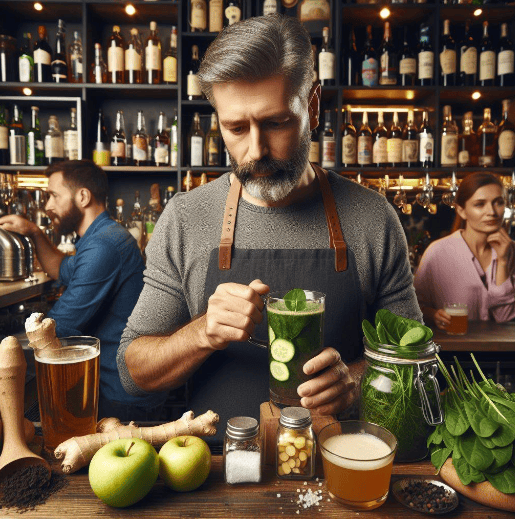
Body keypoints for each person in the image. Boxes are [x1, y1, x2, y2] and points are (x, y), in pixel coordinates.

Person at [117, 14, 422, 443]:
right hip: (217, 480)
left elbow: (416, 361)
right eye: (235, 128)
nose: (255, 150)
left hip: (341, 472)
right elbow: (133, 372)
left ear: (312, 104)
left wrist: (354, 382)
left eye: (276, 122)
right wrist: (201, 332)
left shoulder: (373, 218)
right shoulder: (186, 219)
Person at [0, 159, 154, 421]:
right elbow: (61, 268)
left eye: (54, 196)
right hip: (116, 384)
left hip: (119, 395)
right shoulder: (101, 237)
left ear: (82, 196)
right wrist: (34, 232)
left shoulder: (104, 246)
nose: (48, 206)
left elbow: (58, 327)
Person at [414, 172, 515, 328]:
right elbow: (412, 307)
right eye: (480, 204)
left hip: (504, 351)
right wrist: (433, 315)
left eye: (498, 202)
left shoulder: (511, 251)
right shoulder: (438, 252)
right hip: (454, 350)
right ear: (461, 210)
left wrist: (502, 261)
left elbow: (505, 318)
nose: (492, 212)